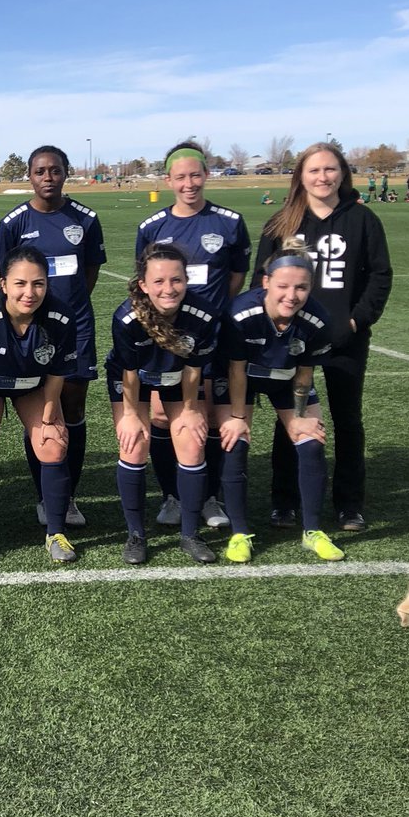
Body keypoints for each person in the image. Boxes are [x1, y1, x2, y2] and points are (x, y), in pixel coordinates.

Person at [255, 142, 392, 532]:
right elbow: (260, 278)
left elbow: (380, 275)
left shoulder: (362, 220)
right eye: (314, 171)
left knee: (347, 420)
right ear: (301, 176)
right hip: (293, 341)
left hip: (344, 338)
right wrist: (273, 328)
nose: (322, 177)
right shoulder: (282, 222)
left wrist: (356, 321)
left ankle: (349, 505)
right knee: (292, 418)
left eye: (330, 170)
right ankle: (285, 501)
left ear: (342, 174)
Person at [136, 141, 250, 530]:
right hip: (165, 338)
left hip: (215, 336)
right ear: (168, 180)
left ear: (207, 175)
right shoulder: (152, 227)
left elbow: (236, 278)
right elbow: (145, 282)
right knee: (161, 415)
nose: (189, 184)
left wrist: (211, 314)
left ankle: (210, 496)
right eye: (181, 177)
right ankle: (171, 494)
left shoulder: (230, 222)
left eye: (196, 175)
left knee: (213, 419)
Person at [0, 145, 104, 529]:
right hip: (30, 330)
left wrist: (65, 313)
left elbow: (88, 274)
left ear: (65, 173)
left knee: (73, 409)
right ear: (30, 175)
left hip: (75, 329)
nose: (47, 178)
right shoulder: (13, 224)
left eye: (54, 171)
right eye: (40, 171)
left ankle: (68, 495)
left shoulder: (85, 220)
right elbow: (5, 280)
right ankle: (44, 495)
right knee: (41, 411)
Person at [217, 239, 341, 562]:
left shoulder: (318, 320)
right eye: (283, 286)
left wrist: (299, 417)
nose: (292, 295)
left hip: (287, 380)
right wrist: (238, 416)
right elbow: (236, 371)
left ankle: (312, 530)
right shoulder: (240, 314)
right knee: (236, 439)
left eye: (301, 287)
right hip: (243, 378)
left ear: (311, 286)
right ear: (266, 283)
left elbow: (304, 375)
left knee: (311, 440)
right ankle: (239, 533)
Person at [0, 245, 77, 566]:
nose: (30, 292)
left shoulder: (61, 317)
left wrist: (50, 417)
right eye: (20, 284)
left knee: (52, 443)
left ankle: (56, 532)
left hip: (33, 385)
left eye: (38, 283)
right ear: (3, 284)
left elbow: (56, 374)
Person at [106, 243, 218, 565]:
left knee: (192, 445)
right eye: (159, 281)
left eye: (176, 280)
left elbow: (195, 370)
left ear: (186, 280)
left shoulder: (203, 314)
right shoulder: (126, 319)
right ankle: (136, 535)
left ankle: (189, 535)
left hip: (179, 379)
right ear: (143, 284)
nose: (168, 289)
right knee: (134, 445)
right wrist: (129, 415)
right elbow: (129, 375)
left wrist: (192, 409)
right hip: (133, 383)